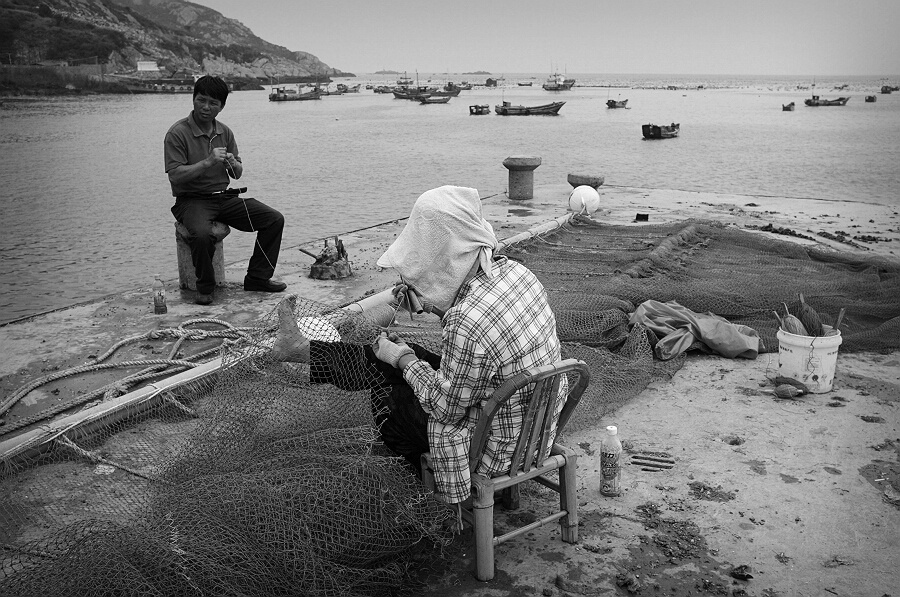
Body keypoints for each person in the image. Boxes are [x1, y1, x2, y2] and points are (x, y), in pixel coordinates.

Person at [273, 185, 565, 506]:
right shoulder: (517, 272)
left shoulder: (465, 320)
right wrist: (415, 344)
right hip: (535, 430)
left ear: (441, 257)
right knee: (407, 358)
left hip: (492, 451)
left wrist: (401, 360)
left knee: (387, 393)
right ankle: (302, 350)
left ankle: (428, 492)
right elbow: (481, 342)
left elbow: (446, 408)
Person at [164, 75, 286, 305]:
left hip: (223, 198)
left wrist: (232, 163)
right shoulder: (177, 133)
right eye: (201, 100)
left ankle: (258, 278)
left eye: (213, 103)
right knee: (201, 234)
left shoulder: (225, 132)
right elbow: (175, 175)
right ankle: (205, 287)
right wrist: (208, 162)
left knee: (273, 219)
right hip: (192, 200)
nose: (206, 107)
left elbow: (237, 173)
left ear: (221, 106)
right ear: (193, 99)